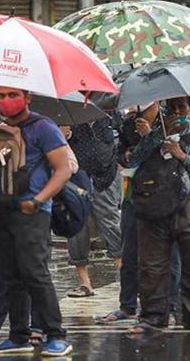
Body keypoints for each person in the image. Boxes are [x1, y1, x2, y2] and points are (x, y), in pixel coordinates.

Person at [0, 87, 73, 356]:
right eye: (1, 96)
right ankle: (19, 336)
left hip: (30, 213)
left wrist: (38, 201)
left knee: (35, 274)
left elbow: (64, 169)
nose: (6, 101)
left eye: (12, 95)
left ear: (27, 97)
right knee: (6, 275)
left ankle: (56, 334)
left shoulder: (43, 127)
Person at [127, 96, 190, 337]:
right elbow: (134, 161)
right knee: (151, 265)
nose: (177, 111)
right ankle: (152, 317)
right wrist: (154, 138)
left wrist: (182, 155)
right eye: (172, 107)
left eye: (182, 107)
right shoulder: (154, 136)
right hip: (154, 205)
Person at [96, 104, 181, 326]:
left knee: (170, 256)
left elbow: (173, 156)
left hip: (166, 196)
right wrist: (134, 147)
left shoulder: (171, 121)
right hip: (134, 194)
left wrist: (150, 137)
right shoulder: (129, 124)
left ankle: (170, 306)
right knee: (130, 251)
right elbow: (125, 158)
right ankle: (127, 305)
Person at [62, 119, 122, 298]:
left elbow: (120, 140)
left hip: (106, 177)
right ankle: (84, 283)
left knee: (111, 223)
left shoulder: (110, 113)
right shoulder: (67, 113)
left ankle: (126, 276)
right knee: (77, 228)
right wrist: (63, 135)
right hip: (77, 178)